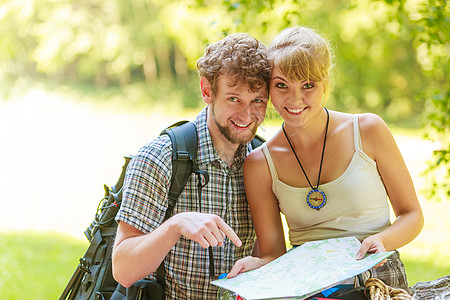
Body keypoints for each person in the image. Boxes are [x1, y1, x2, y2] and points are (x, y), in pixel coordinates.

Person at [227, 26, 424, 293]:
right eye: (282, 85)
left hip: (375, 276)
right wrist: (258, 265)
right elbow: (273, 253)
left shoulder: (368, 130)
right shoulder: (260, 163)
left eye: (308, 85)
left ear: (326, 83)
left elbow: (412, 215)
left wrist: (382, 241)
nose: (295, 99)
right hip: (310, 284)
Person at [112, 33, 271, 299]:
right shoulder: (159, 158)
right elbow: (123, 270)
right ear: (207, 91)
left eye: (257, 101)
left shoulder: (264, 160)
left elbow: (265, 252)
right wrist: (175, 226)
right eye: (233, 99)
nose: (246, 115)